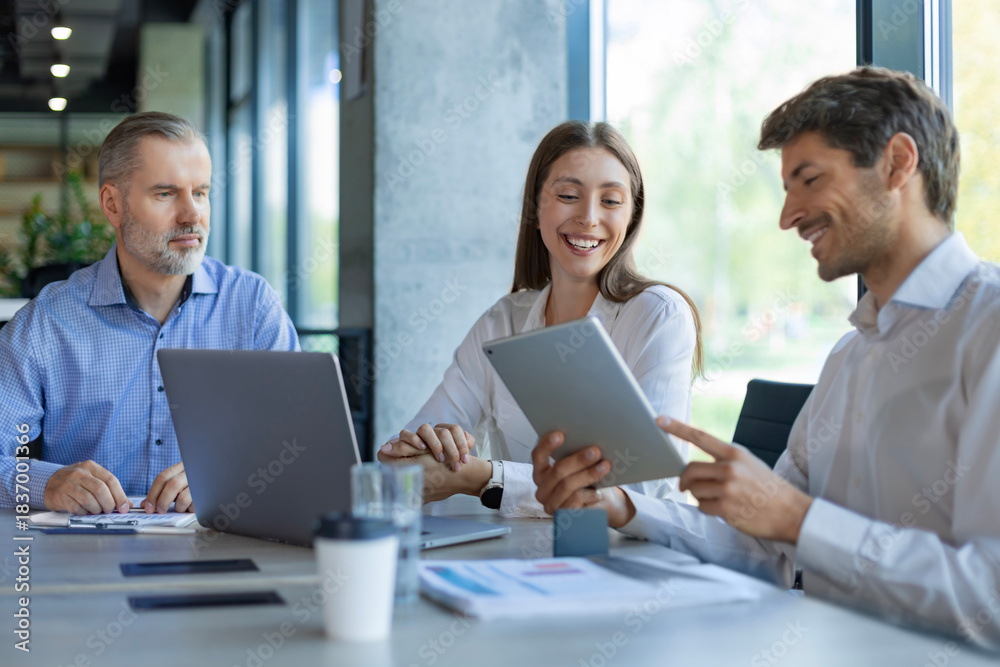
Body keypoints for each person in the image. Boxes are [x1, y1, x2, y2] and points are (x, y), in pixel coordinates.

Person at [532, 67, 1000, 647]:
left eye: (808, 180)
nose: (788, 216)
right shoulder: (851, 357)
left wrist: (800, 519)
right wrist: (623, 506)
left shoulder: (989, 331)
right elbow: (766, 546)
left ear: (898, 164)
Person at [378, 121, 703, 517]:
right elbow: (400, 464)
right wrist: (434, 446)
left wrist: (482, 477)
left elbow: (641, 489)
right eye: (568, 195)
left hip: (632, 563)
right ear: (535, 209)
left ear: (631, 218)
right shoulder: (502, 321)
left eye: (611, 201)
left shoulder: (658, 316)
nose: (588, 217)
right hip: (517, 562)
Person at [0, 112, 298, 516]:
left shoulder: (252, 306)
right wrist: (45, 483)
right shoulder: (47, 323)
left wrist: (231, 473)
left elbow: (298, 445)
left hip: (221, 545)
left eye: (201, 192)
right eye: (165, 194)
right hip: (87, 555)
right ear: (113, 204)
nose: (192, 215)